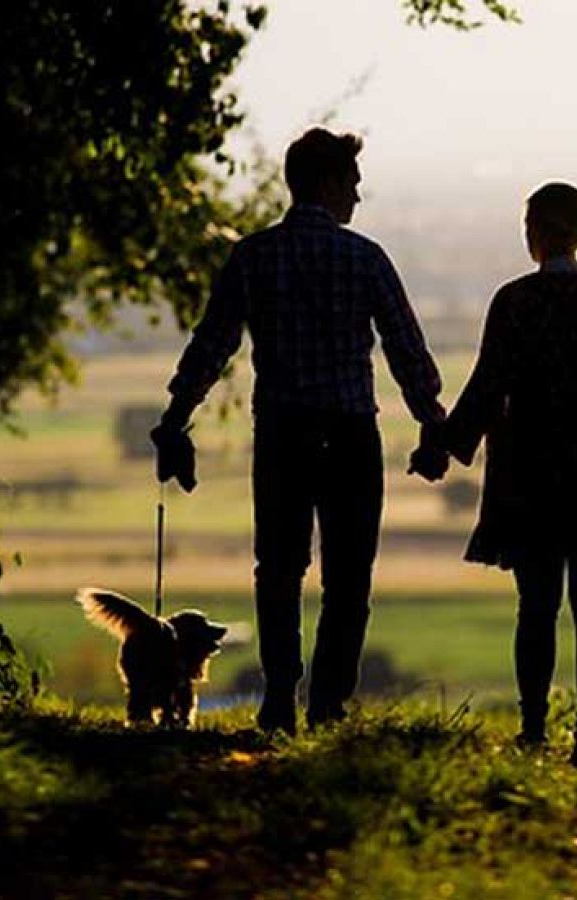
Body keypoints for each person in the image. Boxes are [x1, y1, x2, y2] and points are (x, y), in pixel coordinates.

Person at [152, 127, 448, 733]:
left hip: (283, 432)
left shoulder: (252, 256)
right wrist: (433, 422)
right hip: (350, 434)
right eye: (354, 184)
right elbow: (406, 352)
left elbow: (212, 346)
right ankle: (329, 702)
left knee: (280, 568)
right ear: (330, 182)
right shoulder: (366, 258)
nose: (358, 199)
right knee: (348, 574)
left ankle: (280, 696)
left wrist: (176, 418)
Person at [426, 181, 577, 767]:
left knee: (537, 608)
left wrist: (443, 448)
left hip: (529, 481)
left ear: (535, 234)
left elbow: (486, 386)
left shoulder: (515, 302)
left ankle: (533, 731)